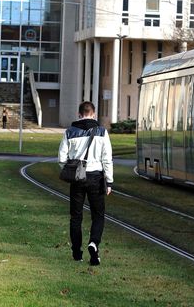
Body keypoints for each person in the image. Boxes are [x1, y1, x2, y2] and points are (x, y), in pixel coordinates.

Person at [58, 101, 113, 266]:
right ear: (94, 114)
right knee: (98, 215)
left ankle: (77, 253)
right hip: (96, 177)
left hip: (77, 179)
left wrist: (71, 170)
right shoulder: (102, 132)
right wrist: (109, 181)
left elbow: (61, 159)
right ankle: (94, 244)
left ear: (79, 114)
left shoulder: (69, 132)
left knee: (76, 217)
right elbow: (107, 159)